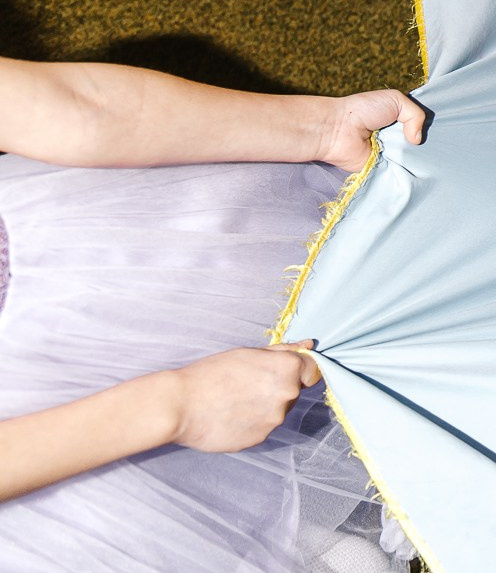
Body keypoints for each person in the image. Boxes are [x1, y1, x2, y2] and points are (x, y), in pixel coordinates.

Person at [0, 56, 425, 571]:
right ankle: (284, 536)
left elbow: (76, 108)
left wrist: (322, 128)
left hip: (98, 256)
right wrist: (174, 407)